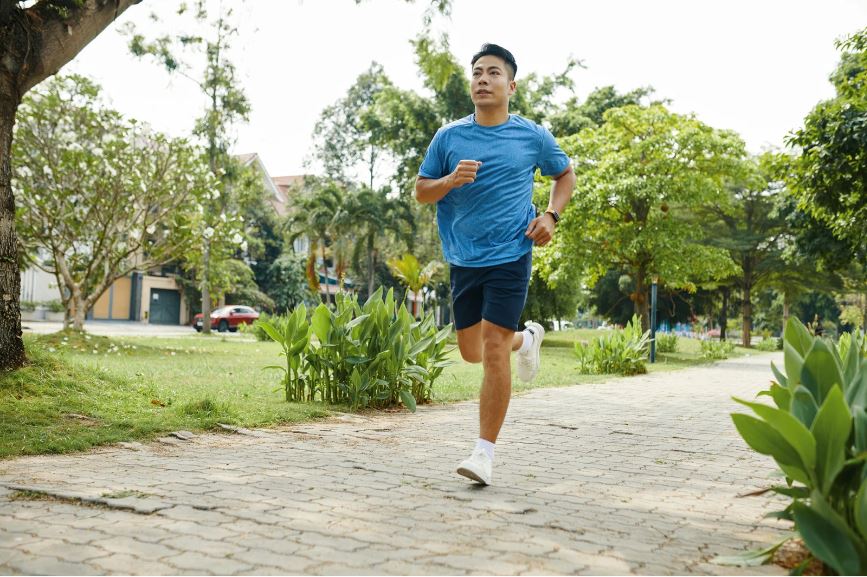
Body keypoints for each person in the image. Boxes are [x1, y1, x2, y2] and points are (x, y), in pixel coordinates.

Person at [415, 43, 576, 485]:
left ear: (511, 85)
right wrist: (449, 180)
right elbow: (422, 190)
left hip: (511, 253)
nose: (483, 80)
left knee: (490, 347)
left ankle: (483, 453)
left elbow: (564, 174)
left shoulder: (531, 136)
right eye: (477, 73)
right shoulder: (448, 138)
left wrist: (551, 215)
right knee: (470, 350)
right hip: (464, 257)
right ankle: (526, 340)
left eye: (493, 73)